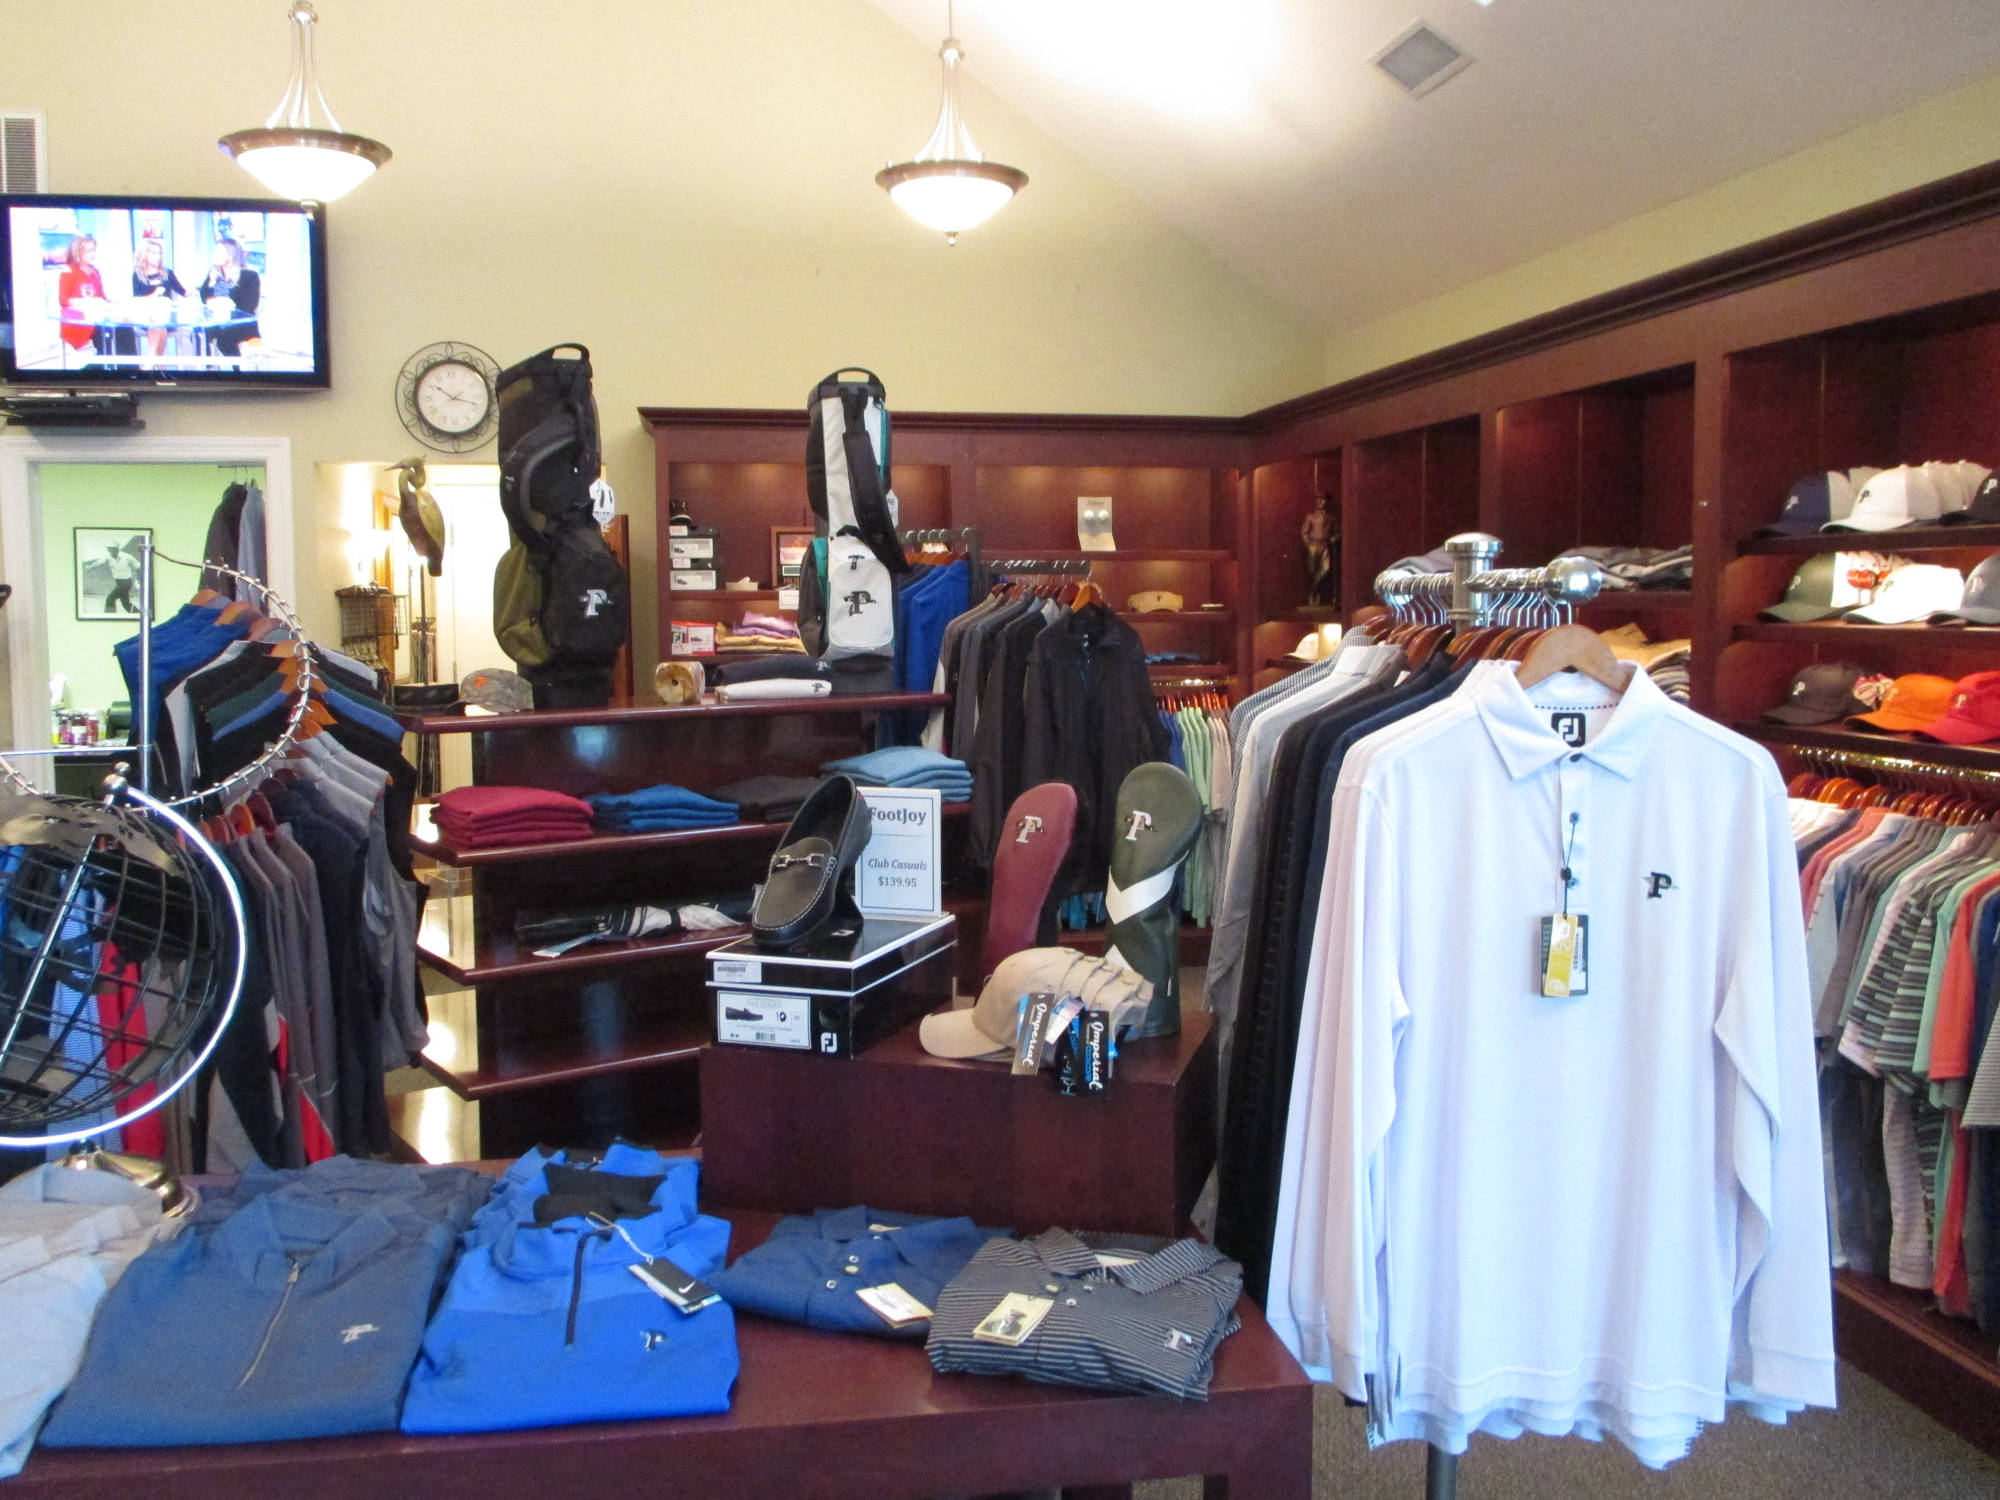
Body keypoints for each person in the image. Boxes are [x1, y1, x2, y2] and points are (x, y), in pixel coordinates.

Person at [197, 236, 261, 359]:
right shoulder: (215, 273)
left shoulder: (248, 276)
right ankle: (209, 367)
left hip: (241, 324)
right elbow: (204, 295)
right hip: (218, 322)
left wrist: (224, 304)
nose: (215, 256)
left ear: (231, 255)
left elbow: (249, 306)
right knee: (200, 332)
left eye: (220, 252)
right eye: (215, 252)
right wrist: (213, 294)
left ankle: (237, 369)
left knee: (225, 338)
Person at [129, 237, 187, 366]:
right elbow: (137, 299)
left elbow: (182, 291)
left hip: (167, 317)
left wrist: (191, 293)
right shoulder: (137, 275)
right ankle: (160, 366)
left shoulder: (167, 273)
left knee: (160, 317)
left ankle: (150, 363)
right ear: (145, 254)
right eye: (153, 253)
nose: (158, 257)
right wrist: (154, 295)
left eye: (159, 253)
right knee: (158, 324)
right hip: (146, 316)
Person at [56, 235, 107, 361]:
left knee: (124, 332)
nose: (93, 254)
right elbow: (63, 300)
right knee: (107, 334)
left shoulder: (95, 272)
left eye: (94, 250)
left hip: (95, 318)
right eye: (89, 251)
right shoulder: (69, 270)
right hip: (78, 321)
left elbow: (102, 298)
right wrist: (86, 303)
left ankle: (123, 369)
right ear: (78, 252)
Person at [102, 543, 140, 615]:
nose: (109, 550)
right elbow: (99, 562)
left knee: (110, 598)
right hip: (119, 582)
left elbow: (138, 567)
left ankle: (109, 617)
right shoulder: (109, 557)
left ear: (116, 549)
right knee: (126, 603)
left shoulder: (127, 557)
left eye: (111, 549)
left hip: (126, 582)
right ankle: (138, 614)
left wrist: (139, 579)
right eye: (108, 549)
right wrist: (90, 567)